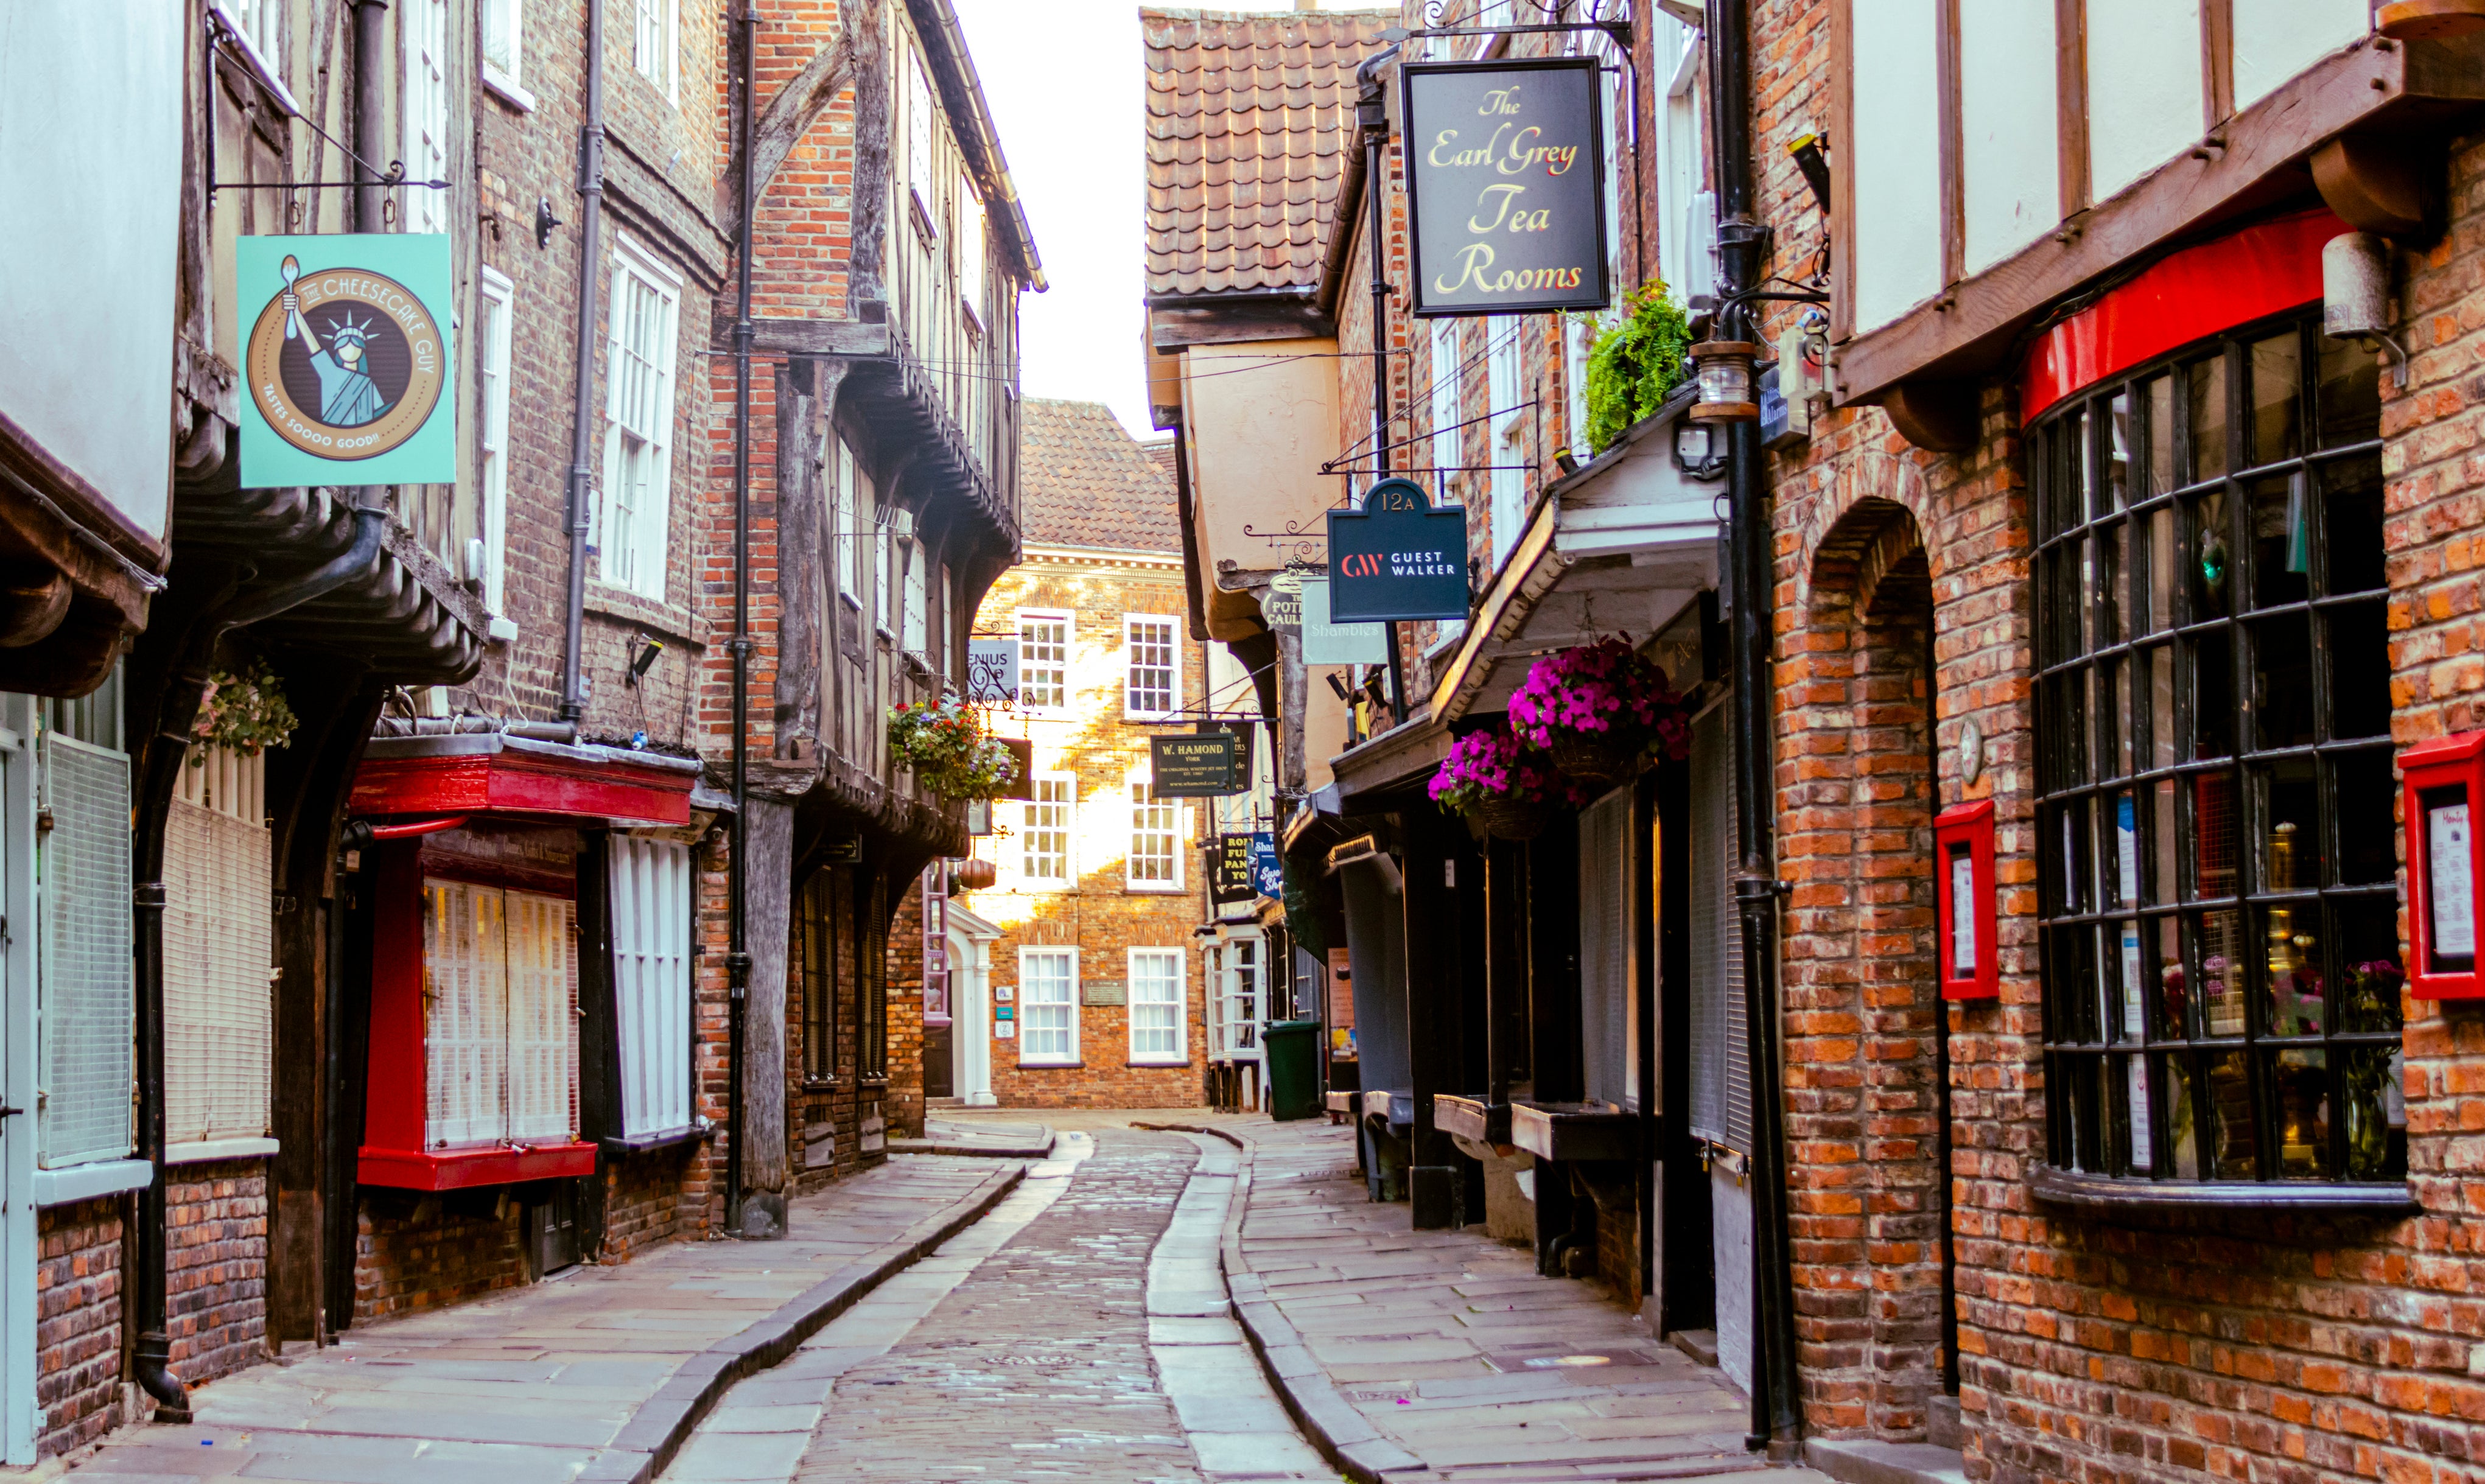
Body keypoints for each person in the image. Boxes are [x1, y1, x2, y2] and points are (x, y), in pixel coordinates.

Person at [282, 289, 390, 426]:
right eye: (344, 346)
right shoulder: (330, 372)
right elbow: (312, 344)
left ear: (362, 350)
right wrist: (296, 311)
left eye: (355, 346)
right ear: (337, 351)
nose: (349, 349)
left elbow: (382, 415)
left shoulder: (368, 383)